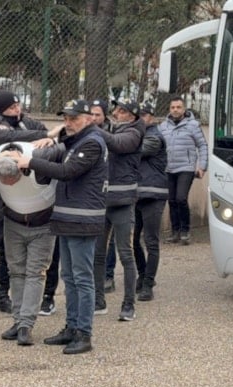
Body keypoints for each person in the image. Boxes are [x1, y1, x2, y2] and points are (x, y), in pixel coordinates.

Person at [10, 99, 108, 355]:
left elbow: (67, 171)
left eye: (73, 118)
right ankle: (72, 327)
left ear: (89, 118)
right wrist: (51, 137)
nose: (68, 122)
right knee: (69, 277)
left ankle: (84, 333)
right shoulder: (76, 140)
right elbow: (59, 153)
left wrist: (30, 162)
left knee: (82, 279)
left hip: (83, 220)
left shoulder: (92, 142)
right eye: (65, 118)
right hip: (68, 218)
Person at [0, 90, 62, 318]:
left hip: (24, 193)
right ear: (1, 109)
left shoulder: (26, 122)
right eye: (12, 107)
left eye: (18, 105)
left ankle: (6, 297)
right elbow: (9, 138)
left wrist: (48, 138)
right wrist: (45, 134)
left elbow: (45, 138)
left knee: (13, 253)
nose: (17, 110)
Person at [0, 142, 57, 346]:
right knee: (16, 272)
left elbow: (62, 150)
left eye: (13, 182)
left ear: (22, 168)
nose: (10, 186)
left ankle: (26, 325)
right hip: (13, 223)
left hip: (43, 224)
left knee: (35, 273)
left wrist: (52, 137)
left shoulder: (39, 160)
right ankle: (18, 320)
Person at [92, 99, 143, 321]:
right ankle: (98, 301)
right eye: (116, 110)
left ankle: (128, 304)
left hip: (122, 201)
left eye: (122, 111)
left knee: (125, 254)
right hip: (103, 201)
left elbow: (117, 143)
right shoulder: (111, 129)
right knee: (97, 254)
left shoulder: (134, 133)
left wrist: (90, 126)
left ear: (132, 115)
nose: (116, 113)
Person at [159, 96, 208, 245]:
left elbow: (202, 145)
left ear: (184, 109)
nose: (175, 110)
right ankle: (175, 232)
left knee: (181, 198)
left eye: (178, 107)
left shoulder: (193, 125)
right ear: (169, 109)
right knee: (172, 200)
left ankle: (185, 231)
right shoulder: (163, 126)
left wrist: (202, 166)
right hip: (168, 168)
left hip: (186, 167)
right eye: (173, 107)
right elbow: (158, 146)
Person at [135, 100, 168, 301]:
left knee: (151, 241)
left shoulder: (154, 137)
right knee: (133, 241)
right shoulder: (138, 134)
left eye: (144, 116)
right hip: (137, 194)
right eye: (137, 116)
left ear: (151, 117)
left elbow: (135, 151)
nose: (140, 119)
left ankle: (148, 283)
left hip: (153, 195)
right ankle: (143, 274)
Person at [90, 99, 116, 294]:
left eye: (97, 114)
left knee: (110, 238)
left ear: (105, 116)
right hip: (92, 191)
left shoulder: (114, 132)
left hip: (111, 189)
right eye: (90, 114)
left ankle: (108, 275)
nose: (93, 118)